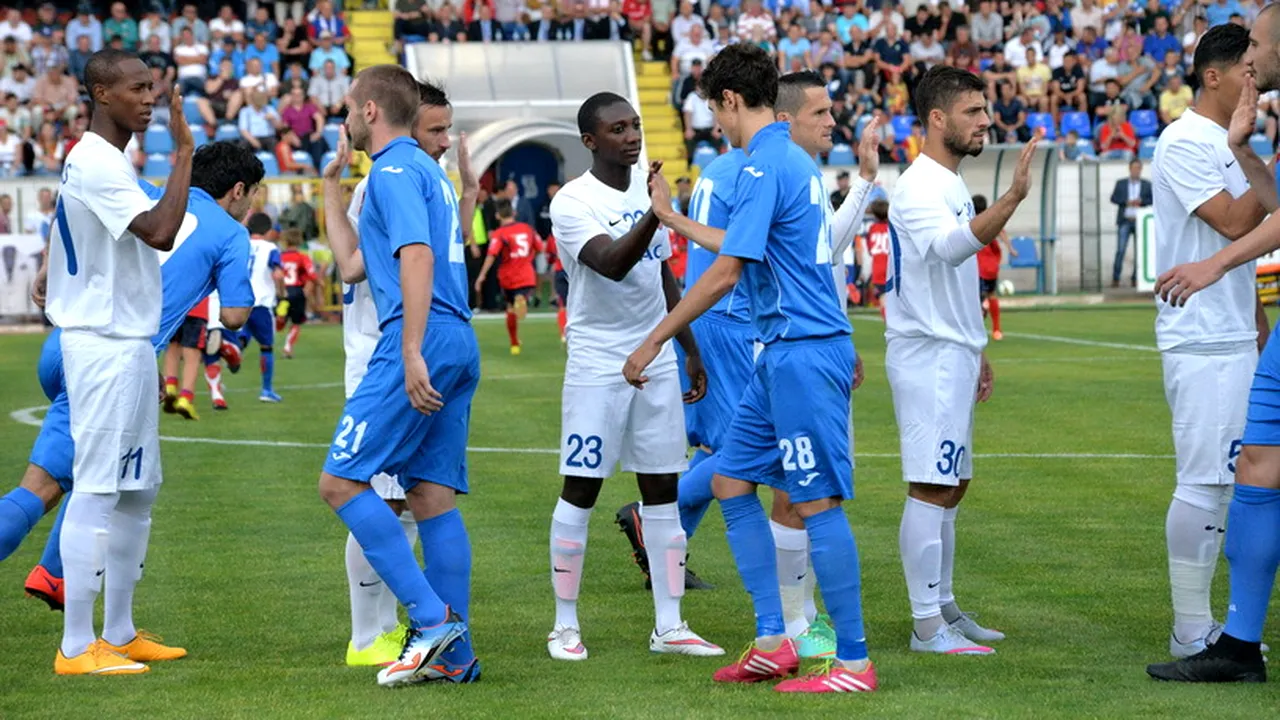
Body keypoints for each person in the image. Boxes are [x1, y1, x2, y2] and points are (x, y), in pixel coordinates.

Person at [623, 44, 875, 694]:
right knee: (733, 481)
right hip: (781, 351)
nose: (717, 125)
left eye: (715, 112)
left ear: (730, 101)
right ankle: (772, 641)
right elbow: (741, 247)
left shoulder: (764, 164)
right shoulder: (780, 160)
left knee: (814, 499)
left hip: (802, 349)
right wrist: (674, 219)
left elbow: (729, 271)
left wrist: (656, 340)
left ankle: (853, 662)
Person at [17, 141, 263, 609]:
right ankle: (59, 579)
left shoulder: (148, 192)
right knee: (50, 487)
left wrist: (49, 265)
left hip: (65, 344)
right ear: (236, 191)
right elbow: (233, 316)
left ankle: (55, 574)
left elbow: (75, 205)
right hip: (111, 361)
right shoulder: (231, 235)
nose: (250, 205)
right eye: (251, 195)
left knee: (92, 473)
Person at [316, 64, 479, 688]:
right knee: (431, 495)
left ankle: (431, 622)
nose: (346, 119)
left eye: (349, 108)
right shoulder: (427, 174)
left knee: (339, 483)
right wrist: (332, 189)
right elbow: (355, 266)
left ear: (371, 112)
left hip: (422, 335)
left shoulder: (391, 171)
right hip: (458, 335)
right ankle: (456, 655)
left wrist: (410, 348)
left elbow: (416, 256)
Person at [545, 90, 721, 663]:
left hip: (659, 358)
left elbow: (661, 275)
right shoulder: (572, 202)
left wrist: (689, 347)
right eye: (617, 128)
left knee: (662, 489)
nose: (631, 135)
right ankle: (564, 626)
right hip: (598, 362)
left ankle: (669, 625)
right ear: (591, 141)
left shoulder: (649, 196)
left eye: (636, 125)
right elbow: (614, 265)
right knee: (582, 487)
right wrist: (657, 211)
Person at [33, 48, 194, 676]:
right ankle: (76, 646)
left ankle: (119, 630)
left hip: (125, 342)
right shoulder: (98, 159)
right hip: (101, 343)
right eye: (135, 88)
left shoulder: (103, 160)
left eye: (152, 87)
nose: (149, 97)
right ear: (101, 94)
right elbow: (158, 230)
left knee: (137, 491)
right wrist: (184, 155)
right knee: (99, 489)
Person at [884, 65, 1040, 656]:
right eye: (973, 112)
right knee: (930, 483)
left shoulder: (946, 181)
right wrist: (1013, 197)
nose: (985, 121)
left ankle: (944, 605)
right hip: (925, 354)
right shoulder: (920, 184)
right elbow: (951, 250)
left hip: (953, 349)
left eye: (985, 110)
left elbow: (957, 277)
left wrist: (976, 348)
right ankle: (927, 625)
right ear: (937, 119)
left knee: (954, 481)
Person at [1146, 17, 1280, 683]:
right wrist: (1260, 159)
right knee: (1206, 477)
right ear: (1213, 76)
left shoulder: (1227, 139)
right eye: (1246, 69)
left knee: (1243, 478)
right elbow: (1233, 221)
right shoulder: (1184, 141)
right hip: (1199, 336)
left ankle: (1218, 626)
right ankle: (1192, 623)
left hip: (1232, 329)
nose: (1254, 78)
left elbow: (1242, 245)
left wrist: (1256, 315)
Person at [475, 198, 544, 354]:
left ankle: (514, 344)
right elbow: (540, 247)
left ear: (498, 216)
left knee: (510, 308)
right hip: (527, 274)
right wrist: (529, 257)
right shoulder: (527, 229)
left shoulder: (500, 234)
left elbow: (491, 255)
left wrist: (481, 276)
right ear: (514, 213)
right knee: (519, 300)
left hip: (508, 276)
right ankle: (522, 299)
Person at [234, 212, 286, 405]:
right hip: (262, 302)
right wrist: (282, 295)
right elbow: (278, 275)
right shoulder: (271, 248)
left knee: (244, 334)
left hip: (240, 301)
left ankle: (235, 346)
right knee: (267, 347)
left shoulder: (242, 244)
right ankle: (266, 389)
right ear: (268, 230)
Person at [161, 297, 211, 419]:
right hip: (197, 308)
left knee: (173, 346)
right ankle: (185, 399)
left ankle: (170, 387)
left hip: (174, 306)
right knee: (192, 357)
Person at [973, 195, 1015, 341]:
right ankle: (997, 330)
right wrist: (1010, 248)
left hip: (978, 268)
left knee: (976, 299)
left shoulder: (972, 222)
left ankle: (982, 309)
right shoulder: (990, 220)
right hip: (991, 268)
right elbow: (1001, 231)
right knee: (992, 295)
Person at [1110, 158, 1154, 287]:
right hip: (1125, 221)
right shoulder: (1121, 183)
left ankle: (1135, 278)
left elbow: (1152, 200)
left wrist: (1142, 202)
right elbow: (1113, 198)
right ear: (1130, 169)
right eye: (1134, 168)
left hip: (1140, 221)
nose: (1136, 171)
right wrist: (1125, 202)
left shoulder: (1146, 184)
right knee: (1120, 250)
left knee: (1139, 251)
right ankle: (1115, 278)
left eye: (1138, 168)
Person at [277, 228, 316, 358]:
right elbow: (311, 275)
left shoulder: (278, 257)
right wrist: (316, 285)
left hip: (282, 290)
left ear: (284, 242)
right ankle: (288, 347)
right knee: (296, 323)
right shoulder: (302, 257)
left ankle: (281, 315)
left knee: (279, 325)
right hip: (296, 290)